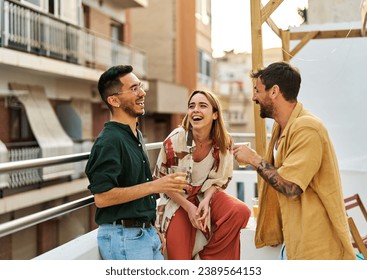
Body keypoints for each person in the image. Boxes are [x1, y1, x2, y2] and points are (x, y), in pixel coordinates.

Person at [233, 61, 355, 260]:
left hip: (317, 244)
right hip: (292, 237)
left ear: (274, 91)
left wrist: (254, 159)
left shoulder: (308, 128)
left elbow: (291, 187)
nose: (254, 96)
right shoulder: (280, 128)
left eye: (257, 90)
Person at [85, 65, 188, 260]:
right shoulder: (109, 141)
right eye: (134, 89)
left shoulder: (135, 134)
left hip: (144, 234)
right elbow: (102, 197)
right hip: (125, 237)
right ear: (114, 100)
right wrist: (155, 186)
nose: (142, 92)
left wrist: (149, 226)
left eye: (140, 86)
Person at [153, 89, 251, 260]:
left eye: (202, 106)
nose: (195, 110)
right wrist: (189, 207)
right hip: (178, 200)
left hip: (206, 195)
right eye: (191, 106)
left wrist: (206, 200)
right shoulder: (175, 140)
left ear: (214, 114)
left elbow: (219, 180)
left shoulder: (224, 141)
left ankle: (205, 260)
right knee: (179, 259)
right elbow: (160, 179)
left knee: (240, 211)